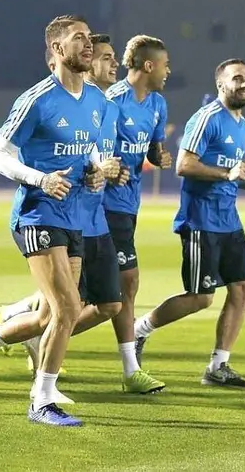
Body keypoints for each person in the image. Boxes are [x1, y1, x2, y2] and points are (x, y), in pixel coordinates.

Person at [0, 15, 106, 427]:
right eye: (79, 39)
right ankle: (41, 399)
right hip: (37, 214)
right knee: (69, 308)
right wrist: (39, 178)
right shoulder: (38, 98)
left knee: (47, 317)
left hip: (73, 215)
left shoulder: (95, 100)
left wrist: (94, 168)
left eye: (89, 38)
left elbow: (84, 148)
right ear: (57, 50)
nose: (88, 45)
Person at [134, 59, 245, 388]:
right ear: (221, 85)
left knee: (241, 288)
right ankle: (139, 330)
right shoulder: (208, 118)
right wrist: (227, 174)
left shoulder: (244, 126)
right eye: (237, 78)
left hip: (229, 220)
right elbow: (184, 165)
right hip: (200, 220)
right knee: (201, 297)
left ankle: (218, 367)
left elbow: (229, 175)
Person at [102, 35, 172, 393]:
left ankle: (18, 321)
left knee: (83, 290)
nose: (168, 70)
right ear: (148, 66)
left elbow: (152, 149)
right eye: (164, 64)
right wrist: (108, 168)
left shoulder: (158, 104)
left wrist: (157, 157)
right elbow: (95, 150)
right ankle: (131, 370)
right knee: (126, 285)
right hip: (103, 205)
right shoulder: (112, 101)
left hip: (130, 205)